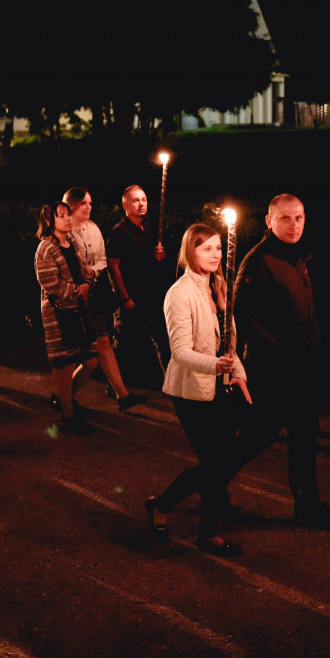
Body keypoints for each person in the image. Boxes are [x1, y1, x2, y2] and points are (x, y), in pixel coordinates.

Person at [232, 193, 330, 530]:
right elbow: (242, 315)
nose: (294, 225)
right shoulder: (259, 261)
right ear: (269, 221)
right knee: (259, 436)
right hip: (274, 370)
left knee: (303, 436)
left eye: (299, 217)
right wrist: (280, 352)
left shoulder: (298, 257)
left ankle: (307, 504)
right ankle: (208, 486)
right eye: (285, 218)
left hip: (302, 368)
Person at [146, 223, 252, 557]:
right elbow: (179, 351)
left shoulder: (220, 287)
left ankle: (205, 531)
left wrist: (238, 373)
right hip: (191, 390)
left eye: (218, 248)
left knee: (219, 466)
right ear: (191, 251)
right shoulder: (180, 292)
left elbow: (230, 341)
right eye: (206, 248)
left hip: (222, 387)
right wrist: (216, 366)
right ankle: (163, 507)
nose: (215, 255)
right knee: (213, 465)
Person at [63, 186, 145, 410]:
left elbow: (102, 259)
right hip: (75, 297)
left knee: (104, 344)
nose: (89, 207)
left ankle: (122, 395)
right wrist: (82, 273)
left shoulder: (93, 228)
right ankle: (63, 397)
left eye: (90, 203)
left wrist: (94, 271)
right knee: (87, 357)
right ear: (71, 206)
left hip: (95, 294)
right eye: (83, 203)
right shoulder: (65, 231)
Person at [34, 202, 99, 434]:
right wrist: (75, 290)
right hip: (58, 312)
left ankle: (65, 399)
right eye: (61, 216)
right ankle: (68, 414)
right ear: (50, 222)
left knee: (91, 360)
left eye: (67, 214)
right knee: (65, 364)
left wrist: (87, 284)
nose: (67, 219)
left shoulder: (72, 242)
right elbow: (49, 283)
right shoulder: (45, 248)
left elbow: (84, 270)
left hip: (78, 309)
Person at [106, 184, 171, 382]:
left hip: (150, 294)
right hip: (131, 295)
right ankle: (116, 385)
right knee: (124, 341)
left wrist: (160, 256)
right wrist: (124, 296)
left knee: (162, 337)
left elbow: (151, 261)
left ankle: (171, 381)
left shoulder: (150, 229)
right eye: (136, 200)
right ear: (125, 204)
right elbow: (113, 266)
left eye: (143, 199)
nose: (141, 204)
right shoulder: (119, 232)